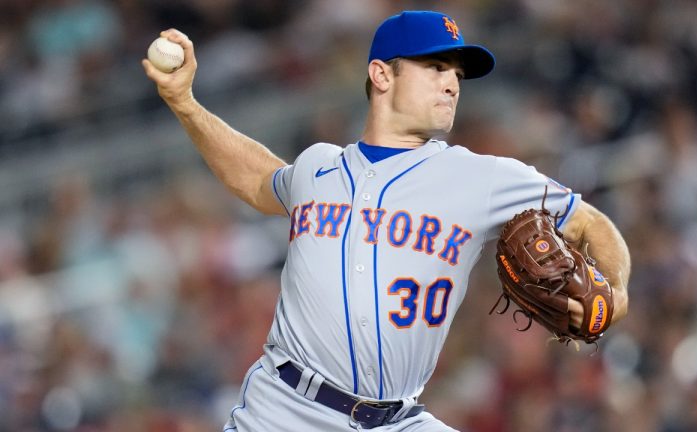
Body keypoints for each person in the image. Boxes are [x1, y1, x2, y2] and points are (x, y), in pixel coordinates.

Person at [143, 10, 630, 432]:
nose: (452, 82)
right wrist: (185, 104)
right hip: (284, 409)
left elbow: (590, 222)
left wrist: (618, 292)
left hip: (398, 418)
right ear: (381, 75)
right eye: (436, 66)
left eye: (457, 72)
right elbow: (257, 179)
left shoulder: (481, 176)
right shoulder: (318, 167)